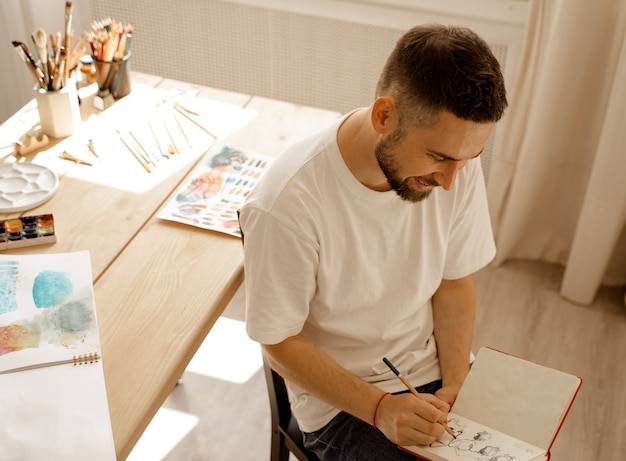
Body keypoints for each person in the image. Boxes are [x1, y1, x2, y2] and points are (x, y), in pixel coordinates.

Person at [239, 23, 508, 460]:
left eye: (468, 160)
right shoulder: (286, 204)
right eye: (439, 158)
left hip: (435, 369)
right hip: (344, 405)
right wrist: (381, 409)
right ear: (384, 116)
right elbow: (278, 341)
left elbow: (454, 282)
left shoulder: (454, 167)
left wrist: (457, 385)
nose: (450, 181)